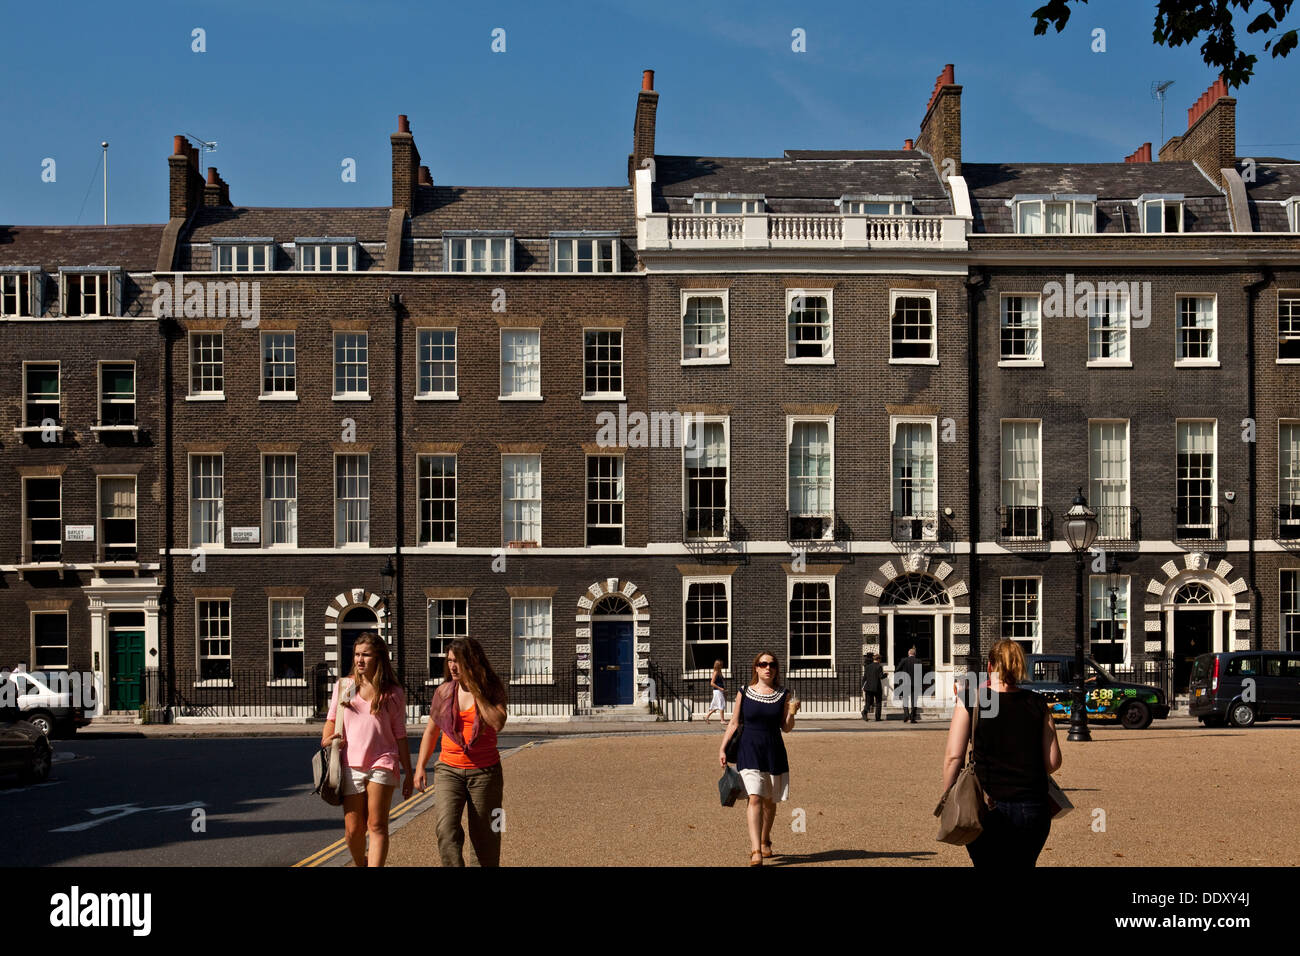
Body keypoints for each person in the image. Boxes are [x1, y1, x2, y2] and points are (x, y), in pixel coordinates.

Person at [941, 639, 1063, 868]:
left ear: (989, 667)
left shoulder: (971, 699)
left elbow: (953, 757)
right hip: (1033, 806)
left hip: (987, 804)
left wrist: (948, 796)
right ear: (1020, 666)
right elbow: (1053, 762)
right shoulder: (1037, 702)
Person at [414, 637, 508, 867]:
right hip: (449, 770)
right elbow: (431, 732)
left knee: (487, 836)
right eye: (449, 661)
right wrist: (419, 767)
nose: (452, 666)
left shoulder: (491, 688)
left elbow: (498, 723)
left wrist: (477, 691)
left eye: (457, 661)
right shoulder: (444, 692)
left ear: (473, 661)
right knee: (445, 830)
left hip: (485, 773)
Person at [322, 631, 412, 867]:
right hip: (350, 764)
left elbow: (400, 735)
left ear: (379, 658)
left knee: (377, 824)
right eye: (357, 654)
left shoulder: (393, 693)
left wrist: (409, 773)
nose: (360, 660)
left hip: (383, 761)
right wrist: (327, 740)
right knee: (353, 831)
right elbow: (331, 721)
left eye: (366, 655)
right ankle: (361, 863)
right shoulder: (345, 686)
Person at [718, 651, 800, 866]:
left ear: (776, 669)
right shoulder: (744, 692)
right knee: (754, 797)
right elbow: (734, 723)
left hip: (773, 750)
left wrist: (792, 713)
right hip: (748, 749)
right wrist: (723, 748)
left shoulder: (783, 694)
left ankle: (765, 839)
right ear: (756, 667)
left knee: (769, 801)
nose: (767, 668)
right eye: (763, 664)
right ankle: (756, 850)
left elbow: (786, 728)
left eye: (772, 664)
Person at [896, 646, 923, 723]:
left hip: (905, 683)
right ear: (915, 654)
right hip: (915, 683)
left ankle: (906, 716)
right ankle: (913, 718)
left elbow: (897, 669)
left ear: (909, 653)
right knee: (914, 701)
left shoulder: (904, 660)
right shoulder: (918, 661)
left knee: (905, 699)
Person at [861, 653, 885, 722]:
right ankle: (877, 717)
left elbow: (864, 678)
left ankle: (864, 712)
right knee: (878, 702)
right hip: (876, 688)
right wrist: (885, 675)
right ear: (878, 659)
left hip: (868, 687)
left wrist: (863, 686)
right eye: (880, 659)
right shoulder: (879, 666)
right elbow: (881, 677)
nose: (880, 661)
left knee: (868, 702)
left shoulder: (868, 667)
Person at [703, 660, 727, 724]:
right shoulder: (716, 672)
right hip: (717, 691)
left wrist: (723, 690)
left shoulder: (719, 672)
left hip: (719, 691)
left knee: (717, 705)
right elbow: (712, 683)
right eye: (721, 665)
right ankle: (722, 720)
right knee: (721, 704)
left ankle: (706, 717)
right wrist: (720, 688)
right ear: (718, 665)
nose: (722, 666)